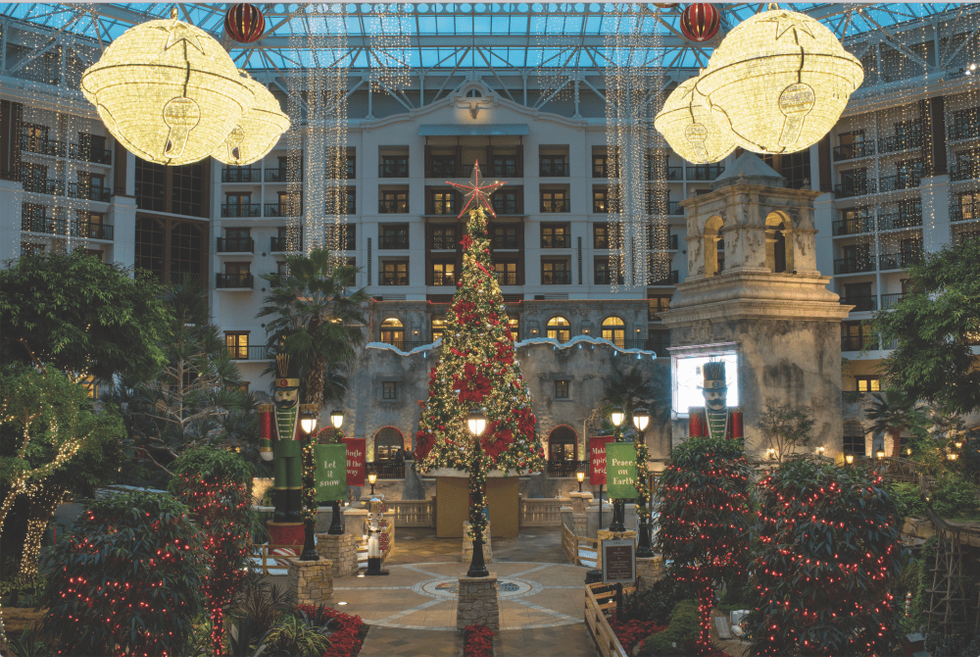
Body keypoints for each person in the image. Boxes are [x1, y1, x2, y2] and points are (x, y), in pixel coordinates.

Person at [258, 355, 303, 523]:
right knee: (281, 480)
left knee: (295, 480)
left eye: (288, 393)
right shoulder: (270, 410)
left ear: (296, 393)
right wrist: (266, 448)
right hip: (279, 451)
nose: (284, 398)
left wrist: (308, 447)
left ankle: (295, 509)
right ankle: (281, 509)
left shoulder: (302, 411)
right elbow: (265, 429)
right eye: (280, 394)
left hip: (296, 450)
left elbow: (307, 430)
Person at [688, 361, 743, 440]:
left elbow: (738, 440)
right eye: (712, 394)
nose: (717, 397)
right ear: (704, 394)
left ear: (726, 392)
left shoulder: (735, 412)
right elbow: (695, 443)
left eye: (720, 394)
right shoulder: (697, 413)